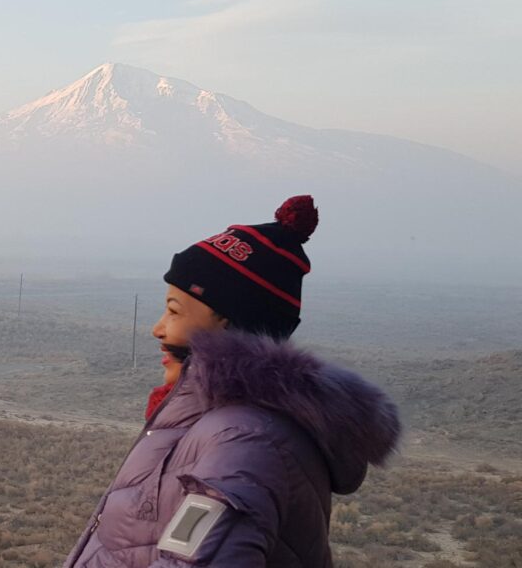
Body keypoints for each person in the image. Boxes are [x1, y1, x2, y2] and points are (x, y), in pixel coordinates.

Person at [64, 196, 401, 567]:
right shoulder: (222, 425)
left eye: (174, 310)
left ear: (228, 323)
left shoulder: (246, 443)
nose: (157, 328)